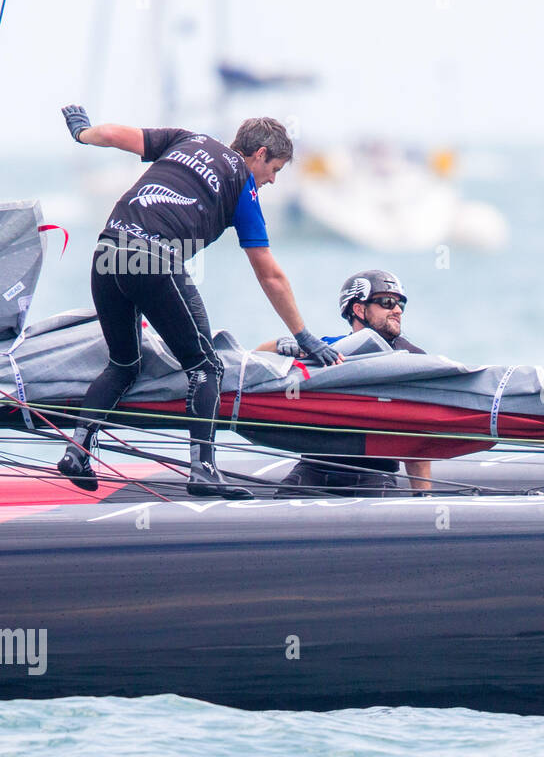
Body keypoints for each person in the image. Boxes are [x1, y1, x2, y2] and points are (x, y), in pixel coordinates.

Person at [55, 106, 341, 499]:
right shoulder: (244, 185)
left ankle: (77, 450)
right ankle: (203, 470)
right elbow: (268, 272)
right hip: (151, 258)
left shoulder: (188, 140)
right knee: (206, 367)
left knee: (123, 364)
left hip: (106, 254)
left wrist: (81, 132)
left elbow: (118, 135)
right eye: (275, 168)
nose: (273, 179)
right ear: (258, 153)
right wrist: (304, 336)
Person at [257, 270, 433, 494]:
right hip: (316, 467)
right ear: (358, 309)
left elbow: (419, 434)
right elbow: (256, 360)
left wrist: (423, 495)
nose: (397, 310)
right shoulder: (329, 349)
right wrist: (279, 344)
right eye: (388, 302)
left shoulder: (412, 359)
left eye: (400, 305)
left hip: (373, 472)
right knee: (280, 506)